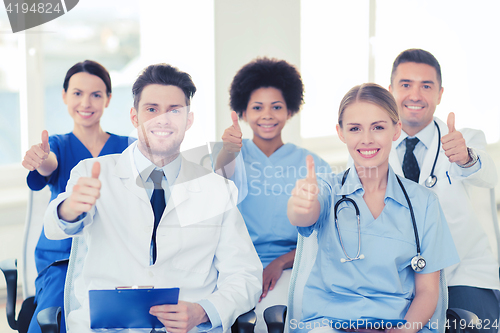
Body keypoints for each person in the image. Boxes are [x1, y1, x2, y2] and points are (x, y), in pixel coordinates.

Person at [43, 63, 262, 333]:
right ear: (135, 117)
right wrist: (69, 209)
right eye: (151, 109)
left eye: (174, 111)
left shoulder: (216, 189)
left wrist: (203, 310)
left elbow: (246, 275)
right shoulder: (93, 172)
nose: (163, 119)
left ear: (188, 120)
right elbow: (54, 229)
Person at [287, 83, 459, 333]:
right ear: (341, 132)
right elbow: (303, 216)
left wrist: (403, 331)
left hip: (398, 326)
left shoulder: (423, 204)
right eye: (355, 128)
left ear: (396, 129)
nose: (366, 139)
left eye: (378, 127)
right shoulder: (327, 190)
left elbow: (427, 291)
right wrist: (300, 204)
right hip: (330, 325)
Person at [214, 57, 331, 332]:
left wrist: (280, 263)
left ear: (290, 110)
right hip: (234, 266)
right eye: (257, 107)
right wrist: (227, 153)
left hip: (293, 267)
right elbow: (212, 202)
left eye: (276, 107)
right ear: (242, 112)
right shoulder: (228, 159)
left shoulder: (312, 164)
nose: (267, 115)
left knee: (278, 319)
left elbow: (325, 234)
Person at [388, 49, 500, 329]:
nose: (415, 95)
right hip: (396, 276)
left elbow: (489, 175)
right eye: (406, 85)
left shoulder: (466, 139)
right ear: (390, 91)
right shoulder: (374, 144)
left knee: (476, 325)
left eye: (426, 86)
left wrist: (466, 157)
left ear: (439, 94)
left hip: (463, 272)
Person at [21, 60, 132, 333]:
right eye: (77, 93)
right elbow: (50, 164)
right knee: (55, 314)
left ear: (108, 99)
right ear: (64, 96)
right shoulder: (58, 145)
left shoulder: (127, 148)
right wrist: (42, 158)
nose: (86, 102)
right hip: (63, 260)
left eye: (96, 94)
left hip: (113, 256)